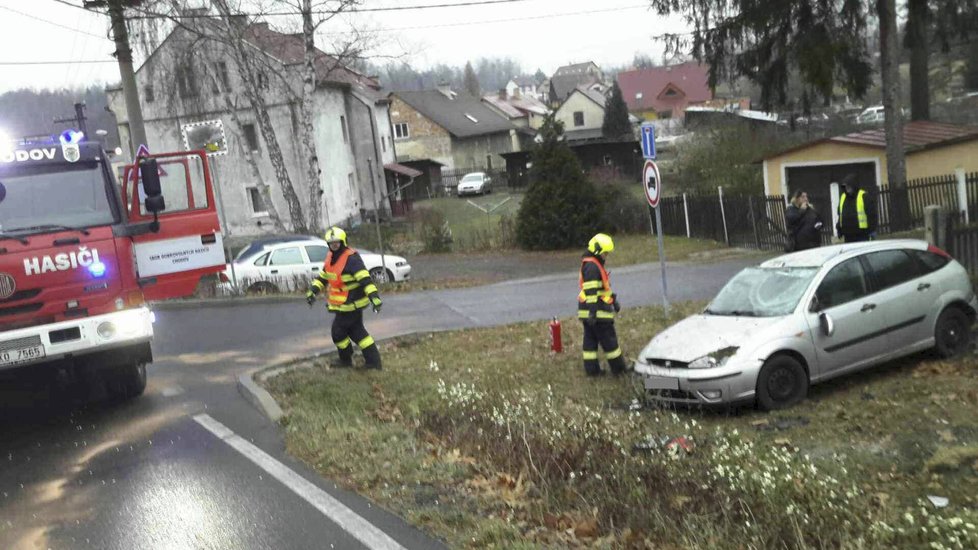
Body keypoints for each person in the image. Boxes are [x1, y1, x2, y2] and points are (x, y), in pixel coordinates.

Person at [306, 227, 384, 369]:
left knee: (338, 332)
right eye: (331, 243)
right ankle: (373, 362)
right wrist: (313, 290)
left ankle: (346, 360)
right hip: (342, 304)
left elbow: (365, 279)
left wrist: (374, 297)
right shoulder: (331, 258)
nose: (334, 246)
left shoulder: (351, 258)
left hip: (352, 304)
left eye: (337, 243)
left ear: (343, 242)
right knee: (357, 333)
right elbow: (323, 277)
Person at [578, 233, 626, 376]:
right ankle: (619, 370)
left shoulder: (591, 264)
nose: (606, 256)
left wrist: (614, 300)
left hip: (588, 312)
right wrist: (593, 312)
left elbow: (602, 288)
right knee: (610, 342)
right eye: (606, 253)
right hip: (597, 312)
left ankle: (592, 371)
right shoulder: (592, 267)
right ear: (599, 251)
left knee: (590, 342)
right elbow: (592, 292)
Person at [836, 174, 877, 243]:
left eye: (849, 186)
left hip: (862, 235)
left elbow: (872, 215)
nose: (847, 188)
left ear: (854, 186)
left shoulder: (864, 196)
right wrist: (839, 229)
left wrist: (872, 231)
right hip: (848, 235)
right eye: (845, 187)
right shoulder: (843, 197)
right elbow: (840, 216)